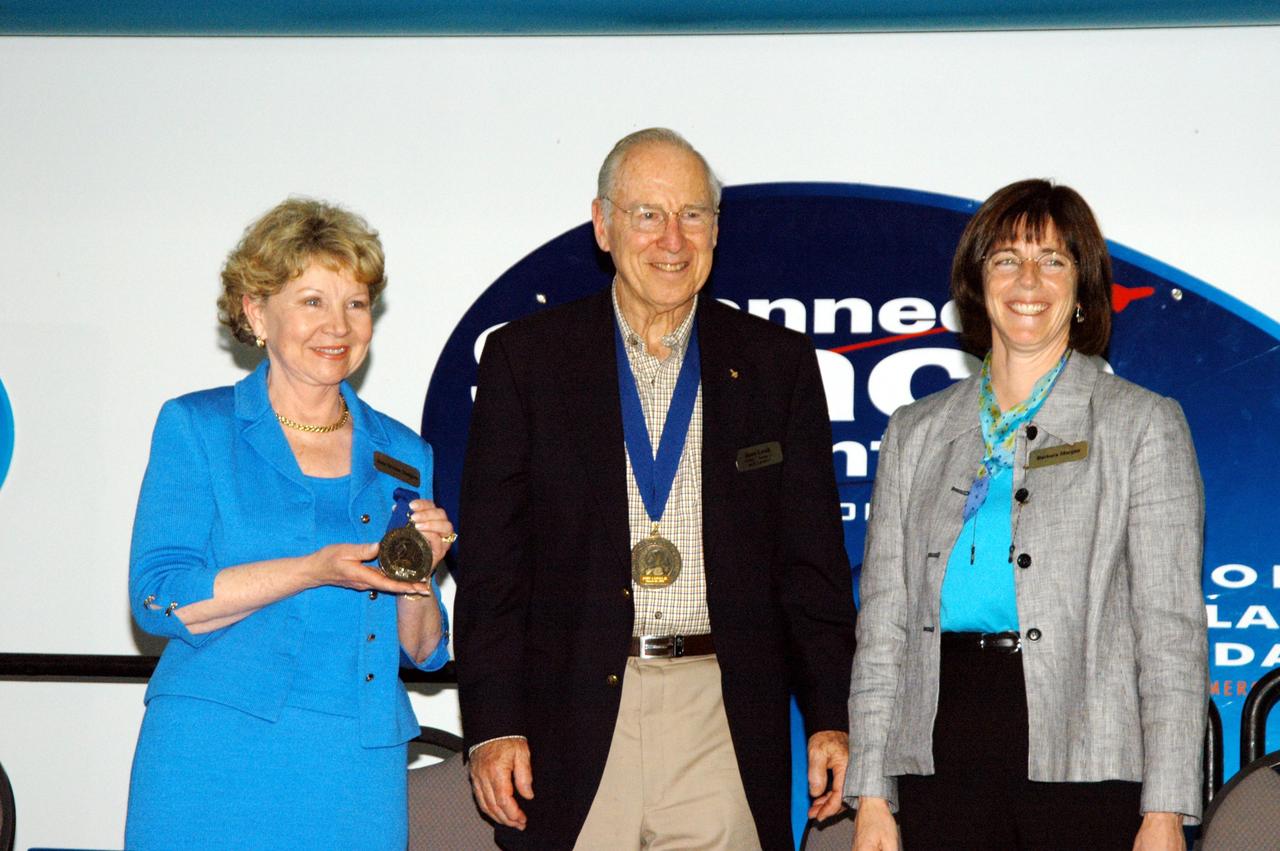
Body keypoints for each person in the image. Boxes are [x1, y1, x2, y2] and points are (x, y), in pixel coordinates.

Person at [455, 127, 857, 850]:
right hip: (573, 714)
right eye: (648, 214)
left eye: (693, 214)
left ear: (716, 229)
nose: (673, 239)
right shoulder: (526, 360)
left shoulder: (777, 364)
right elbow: (492, 570)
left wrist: (833, 714)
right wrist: (492, 723)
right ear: (603, 225)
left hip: (721, 715)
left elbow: (813, 567)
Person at [844, 179, 1208, 851]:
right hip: (938, 753)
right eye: (1007, 259)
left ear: (1083, 287)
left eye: (1053, 260)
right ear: (977, 282)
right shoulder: (915, 432)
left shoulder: (1141, 424)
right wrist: (870, 792)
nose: (1028, 280)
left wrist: (1167, 809)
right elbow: (884, 628)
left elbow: (1171, 636)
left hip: (1088, 757)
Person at [125, 198, 456, 850]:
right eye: (312, 301)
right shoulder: (198, 427)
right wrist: (311, 569)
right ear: (256, 313)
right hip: (214, 753)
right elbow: (160, 597)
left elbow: (422, 650)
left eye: (356, 303)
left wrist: (422, 572)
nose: (338, 325)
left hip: (356, 763)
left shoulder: (404, 452)